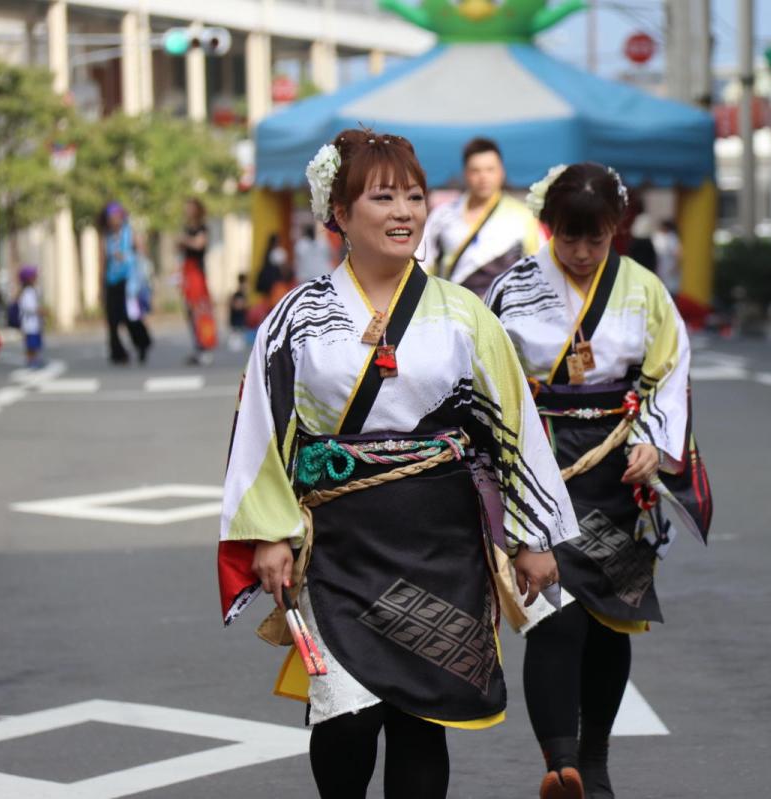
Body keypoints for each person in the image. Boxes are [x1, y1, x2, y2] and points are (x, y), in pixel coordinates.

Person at [217, 128, 578, 799]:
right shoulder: (295, 318)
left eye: (413, 195)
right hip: (339, 544)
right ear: (340, 213)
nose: (404, 211)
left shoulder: (463, 314)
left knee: (422, 718)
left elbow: (514, 427)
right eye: (382, 197)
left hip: (440, 545)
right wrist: (268, 531)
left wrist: (533, 534)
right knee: (346, 717)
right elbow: (262, 427)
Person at [485, 163, 712, 799]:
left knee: (612, 617)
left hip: (617, 464)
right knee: (552, 614)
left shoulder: (644, 291)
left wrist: (653, 444)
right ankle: (561, 765)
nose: (582, 253)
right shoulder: (513, 287)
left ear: (617, 229)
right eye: (569, 238)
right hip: (540, 458)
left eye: (596, 239)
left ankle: (596, 756)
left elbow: (670, 372)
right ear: (548, 227)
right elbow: (483, 374)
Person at [421, 137, 543, 296]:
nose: (483, 177)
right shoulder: (442, 216)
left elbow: (539, 268)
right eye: (476, 170)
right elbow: (423, 264)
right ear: (465, 173)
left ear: (501, 172)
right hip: (453, 309)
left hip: (503, 311)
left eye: (490, 169)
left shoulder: (523, 217)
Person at [99, 202, 152, 364]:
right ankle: (118, 352)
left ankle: (142, 343)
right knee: (112, 318)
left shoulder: (130, 234)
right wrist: (100, 286)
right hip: (112, 281)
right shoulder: (106, 237)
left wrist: (129, 257)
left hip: (130, 282)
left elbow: (143, 254)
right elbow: (102, 262)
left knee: (131, 316)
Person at [178, 198, 216, 365]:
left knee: (200, 310)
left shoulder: (202, 228)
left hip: (197, 274)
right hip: (187, 272)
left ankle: (205, 346)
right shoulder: (187, 228)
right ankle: (197, 345)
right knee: (189, 311)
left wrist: (184, 240)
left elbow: (199, 244)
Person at [16, 266, 44, 368]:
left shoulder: (32, 291)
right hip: (29, 324)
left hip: (34, 324)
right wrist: (40, 311)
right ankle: (31, 361)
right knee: (31, 344)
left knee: (35, 343)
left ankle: (34, 359)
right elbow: (29, 307)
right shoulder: (27, 292)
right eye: (34, 276)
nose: (36, 278)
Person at [228, 272, 249, 352]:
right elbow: (237, 306)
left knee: (239, 335)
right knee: (236, 338)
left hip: (240, 321)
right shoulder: (237, 294)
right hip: (236, 320)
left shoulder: (242, 294)